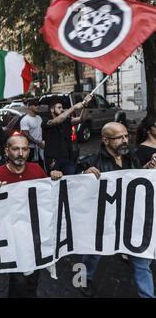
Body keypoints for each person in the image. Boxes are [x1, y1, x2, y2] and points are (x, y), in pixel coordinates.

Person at [77, 122, 156, 298]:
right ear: (105, 140)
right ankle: (82, 281)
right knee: (91, 255)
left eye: (126, 136)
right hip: (104, 221)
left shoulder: (131, 157)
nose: (125, 140)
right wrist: (84, 176)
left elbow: (134, 179)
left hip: (130, 220)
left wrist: (147, 170)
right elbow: (73, 189)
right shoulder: (91, 161)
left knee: (142, 262)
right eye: (119, 137)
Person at [0, 134, 62, 297]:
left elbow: (48, 199)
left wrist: (55, 179)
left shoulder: (37, 170)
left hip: (34, 237)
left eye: (25, 149)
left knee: (33, 277)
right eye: (16, 149)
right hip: (11, 239)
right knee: (18, 280)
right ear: (6, 151)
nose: (21, 153)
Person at [42, 94, 92, 175]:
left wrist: (85, 106)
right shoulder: (45, 120)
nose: (62, 110)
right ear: (52, 109)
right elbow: (57, 121)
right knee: (55, 182)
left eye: (62, 107)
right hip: (53, 160)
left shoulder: (66, 120)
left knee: (70, 180)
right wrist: (73, 108)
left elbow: (82, 119)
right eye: (59, 107)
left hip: (67, 159)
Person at [20, 99, 44, 165]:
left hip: (40, 147)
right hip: (30, 148)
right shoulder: (25, 119)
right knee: (30, 165)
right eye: (35, 105)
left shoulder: (39, 118)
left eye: (39, 105)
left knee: (41, 165)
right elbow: (26, 135)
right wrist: (38, 143)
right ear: (30, 107)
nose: (38, 107)